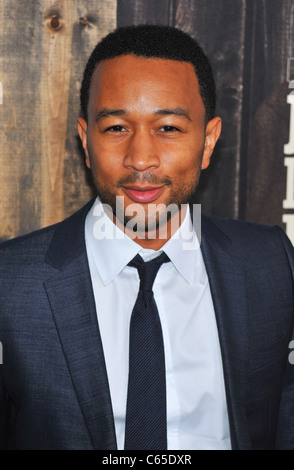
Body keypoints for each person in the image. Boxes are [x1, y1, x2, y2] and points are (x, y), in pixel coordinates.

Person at [0, 24, 293, 451]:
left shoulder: (271, 264)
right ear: (86, 140)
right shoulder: (9, 284)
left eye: (168, 128)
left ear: (208, 141)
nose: (140, 159)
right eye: (116, 127)